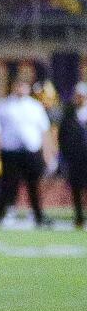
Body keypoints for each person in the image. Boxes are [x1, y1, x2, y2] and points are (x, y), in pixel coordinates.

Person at [0, 77, 53, 226]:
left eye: (24, 86)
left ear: (28, 88)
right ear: (13, 87)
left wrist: (47, 153)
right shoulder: (4, 105)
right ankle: (0, 216)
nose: (21, 89)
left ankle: (38, 216)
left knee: (33, 185)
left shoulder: (35, 106)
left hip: (31, 152)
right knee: (7, 185)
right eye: (18, 85)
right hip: (10, 152)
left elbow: (44, 131)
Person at [59, 83, 87, 229]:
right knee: (76, 188)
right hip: (76, 157)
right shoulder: (69, 113)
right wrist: (66, 154)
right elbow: (62, 135)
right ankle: (79, 218)